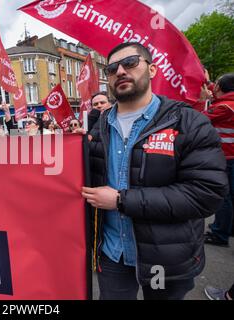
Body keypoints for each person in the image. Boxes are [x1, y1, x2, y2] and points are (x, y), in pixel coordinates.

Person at [82, 42, 228, 300]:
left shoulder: (188, 122)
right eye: (112, 68)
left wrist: (120, 200)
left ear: (152, 69)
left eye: (130, 63)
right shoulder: (98, 127)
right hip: (113, 252)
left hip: (166, 258)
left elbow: (205, 193)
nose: (120, 72)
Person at [202, 73, 234, 246]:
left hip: (227, 157)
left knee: (224, 196)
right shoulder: (229, 103)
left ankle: (220, 234)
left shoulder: (225, 107)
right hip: (230, 157)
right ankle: (229, 227)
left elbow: (199, 118)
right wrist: (206, 80)